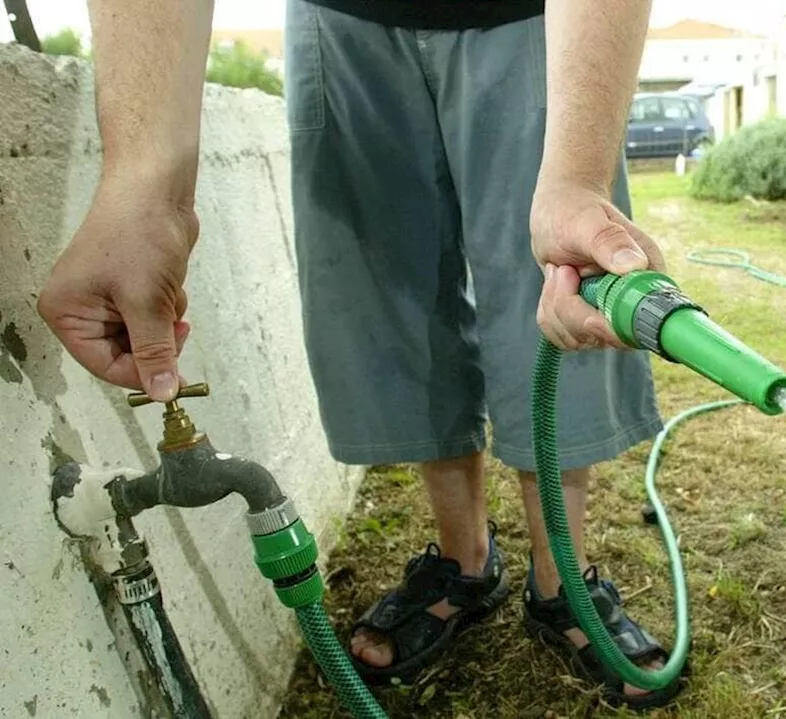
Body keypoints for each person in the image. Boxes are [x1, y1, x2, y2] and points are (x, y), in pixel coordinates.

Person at [37, 0, 684, 710]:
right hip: (344, 19)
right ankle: (463, 561)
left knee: (559, 285)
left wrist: (578, 177)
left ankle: (563, 579)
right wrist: (141, 186)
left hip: (532, 20)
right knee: (389, 299)